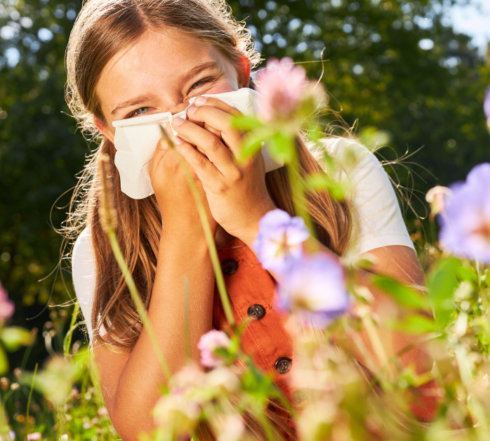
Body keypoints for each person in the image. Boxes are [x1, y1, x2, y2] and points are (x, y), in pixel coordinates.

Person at [65, 0, 434, 439]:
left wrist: (258, 219)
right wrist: (187, 235)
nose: (180, 122)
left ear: (241, 73)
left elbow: (418, 364)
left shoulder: (339, 171)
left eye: (200, 84)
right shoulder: (103, 248)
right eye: (140, 112)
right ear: (108, 129)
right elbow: (146, 430)